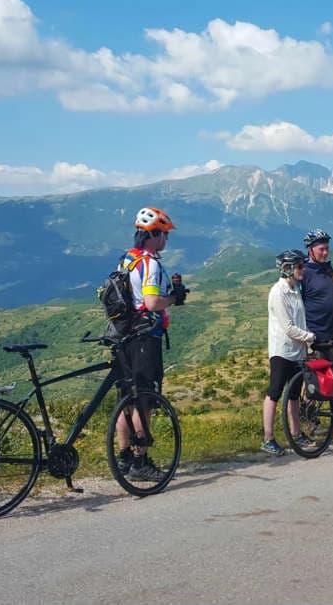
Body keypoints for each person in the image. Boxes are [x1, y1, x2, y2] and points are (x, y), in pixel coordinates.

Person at [115, 206, 186, 481]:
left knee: (125, 401)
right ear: (153, 235)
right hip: (145, 337)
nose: (166, 241)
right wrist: (174, 300)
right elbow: (152, 302)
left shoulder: (126, 260)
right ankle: (140, 462)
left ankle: (123, 459)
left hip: (123, 335)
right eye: (164, 235)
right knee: (144, 401)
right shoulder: (151, 264)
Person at [261, 249, 317, 456]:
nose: (303, 269)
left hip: (297, 351)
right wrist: (311, 337)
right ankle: (268, 438)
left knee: (294, 394)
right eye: (299, 266)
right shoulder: (278, 292)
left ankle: (296, 433)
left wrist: (307, 346)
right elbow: (288, 327)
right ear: (287, 269)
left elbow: (299, 321)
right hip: (282, 350)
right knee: (274, 392)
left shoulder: (295, 289)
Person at [301, 229, 333, 377]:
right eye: (321, 249)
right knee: (316, 385)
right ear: (310, 250)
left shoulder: (328, 269)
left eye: (327, 249)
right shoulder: (304, 273)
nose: (325, 253)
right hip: (315, 339)